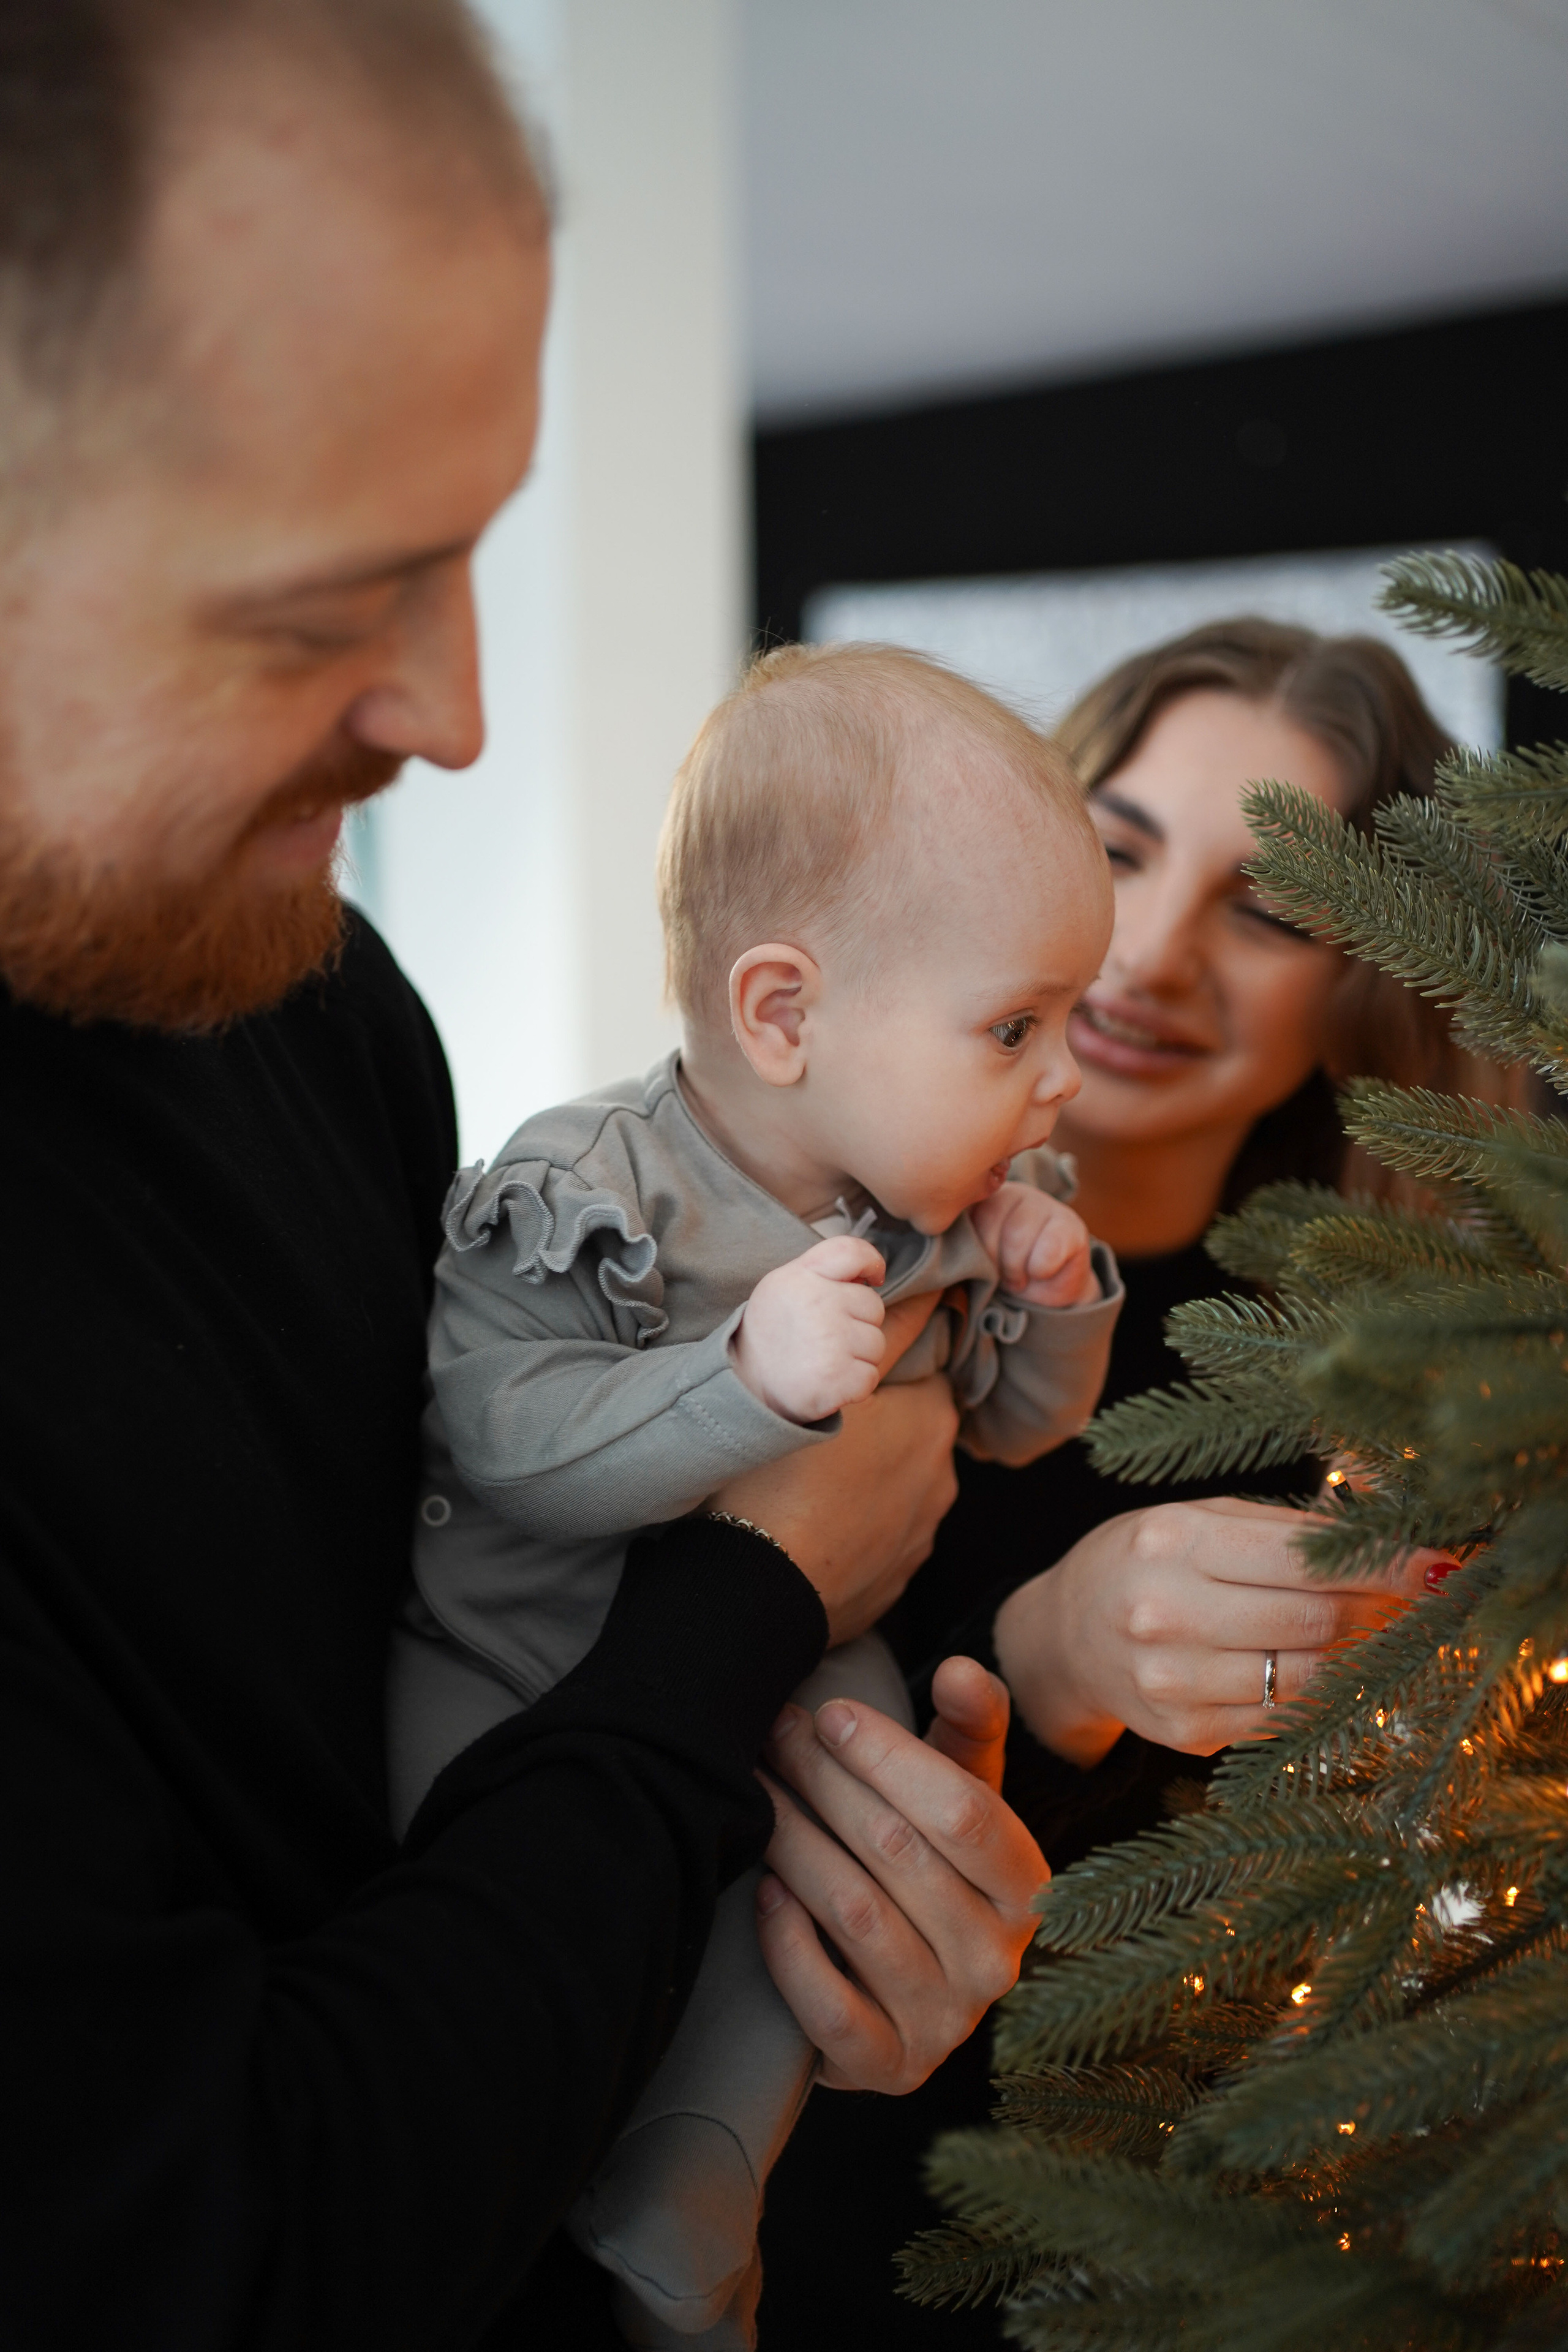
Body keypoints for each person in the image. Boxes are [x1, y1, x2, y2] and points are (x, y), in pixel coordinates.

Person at [0, 7, 1049, 2347]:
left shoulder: (306, 993)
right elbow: (226, 2254)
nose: (457, 716)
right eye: (318, 606)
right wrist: (744, 1605)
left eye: (473, 549)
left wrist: (791, 1923)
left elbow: (439, 1729)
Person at [390, 643, 1126, 2348]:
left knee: (827, 1873)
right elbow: (507, 1441)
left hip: (803, 1653)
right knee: (510, 1944)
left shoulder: (939, 1198)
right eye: (1015, 1027)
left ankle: (697, 2183)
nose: (1063, 1077)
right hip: (514, 1668)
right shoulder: (593, 1185)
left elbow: (1019, 1431)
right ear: (783, 1015)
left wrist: (1060, 1292)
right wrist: (738, 1384)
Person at [758, 619, 1475, 2349]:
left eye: (1271, 908)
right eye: (1120, 854)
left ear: (1372, 984)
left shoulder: (1416, 1385)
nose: (1149, 957)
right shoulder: (789, 1269)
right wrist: (1046, 1656)